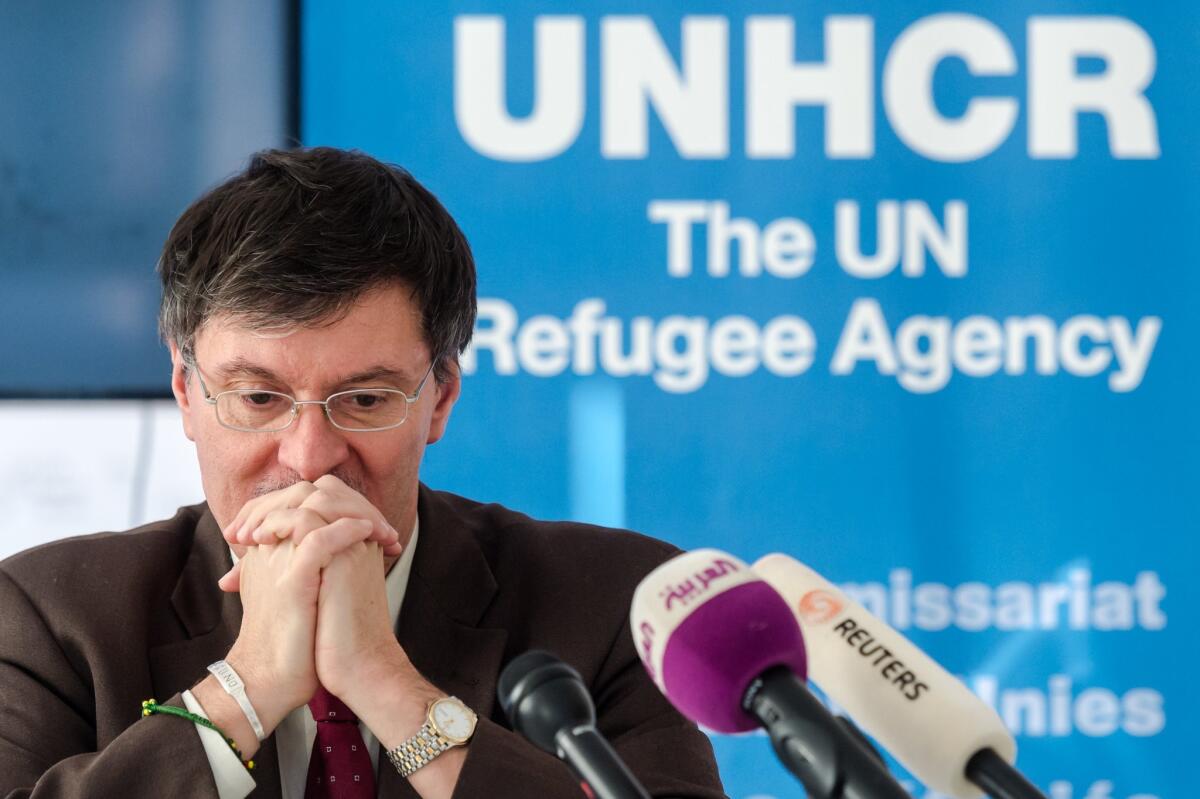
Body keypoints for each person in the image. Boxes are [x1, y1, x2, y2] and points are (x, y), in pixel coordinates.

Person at [0, 148, 726, 798]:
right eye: (258, 398)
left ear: (439, 397)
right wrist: (244, 690)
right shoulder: (50, 617)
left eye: (366, 399)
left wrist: (388, 684)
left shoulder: (619, 606)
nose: (310, 456)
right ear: (188, 392)